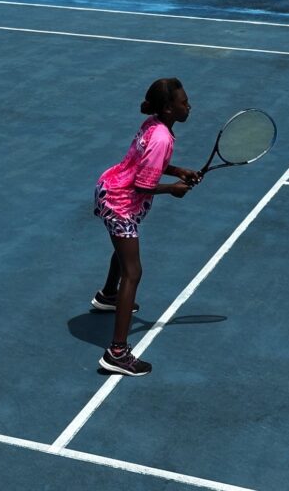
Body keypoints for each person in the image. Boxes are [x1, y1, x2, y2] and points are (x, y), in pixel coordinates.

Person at [92, 78, 202, 376]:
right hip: (120, 202)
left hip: (108, 187)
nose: (188, 105)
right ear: (168, 108)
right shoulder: (162, 137)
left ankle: (108, 296)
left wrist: (178, 170)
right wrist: (174, 188)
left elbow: (145, 163)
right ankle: (117, 352)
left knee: (124, 250)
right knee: (134, 271)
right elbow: (143, 184)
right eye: (183, 102)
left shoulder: (155, 125)